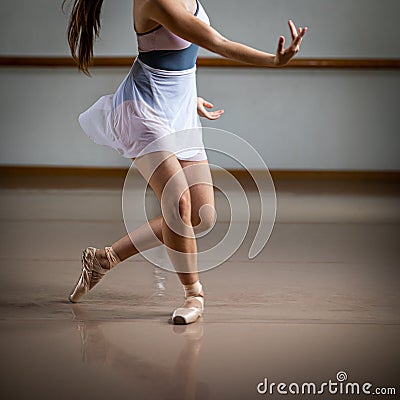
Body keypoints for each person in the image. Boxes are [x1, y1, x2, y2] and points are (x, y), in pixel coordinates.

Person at [63, 0, 307, 325]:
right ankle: (194, 294)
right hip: (143, 108)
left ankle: (104, 259)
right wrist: (274, 60)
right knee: (177, 202)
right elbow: (214, 42)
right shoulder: (156, 1)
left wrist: (188, 97)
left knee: (201, 217)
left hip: (178, 110)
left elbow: (175, 51)